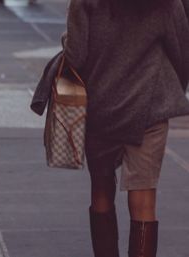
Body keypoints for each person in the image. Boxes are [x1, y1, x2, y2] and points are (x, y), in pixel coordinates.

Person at [62, 0, 189, 256]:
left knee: (101, 187)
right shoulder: (167, 3)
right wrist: (174, 89)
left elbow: (75, 56)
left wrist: (67, 39)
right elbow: (182, 52)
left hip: (101, 105)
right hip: (149, 106)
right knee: (144, 196)